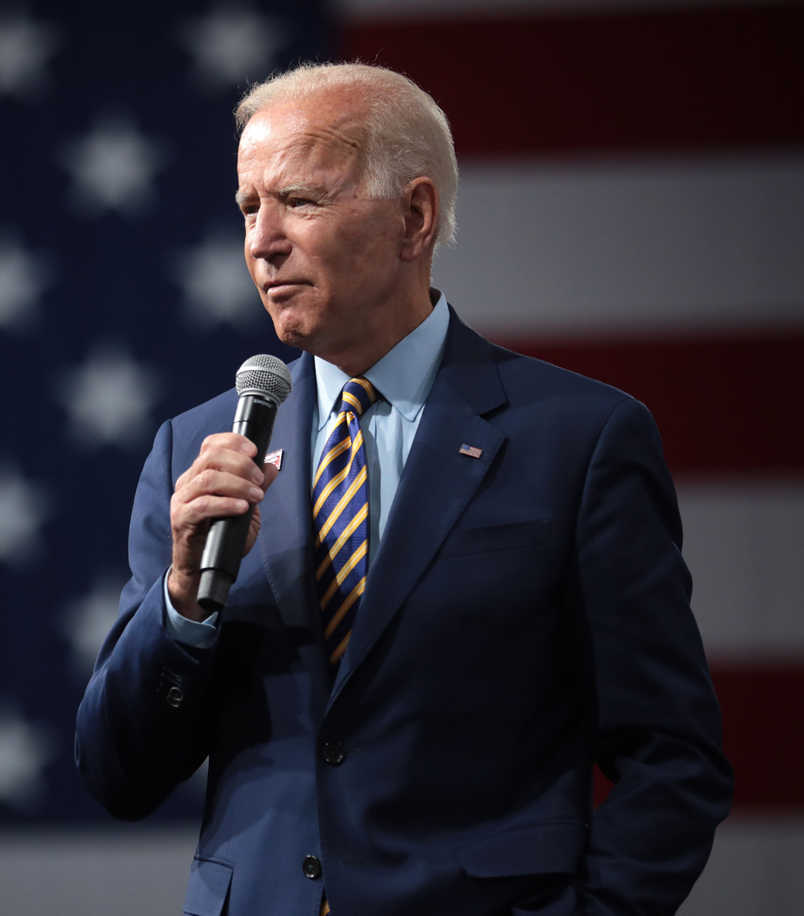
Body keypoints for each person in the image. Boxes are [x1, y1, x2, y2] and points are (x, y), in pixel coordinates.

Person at [75, 62, 731, 916]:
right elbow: (118, 774)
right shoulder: (194, 451)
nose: (263, 241)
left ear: (413, 218)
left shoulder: (580, 439)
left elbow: (674, 756)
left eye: (300, 201)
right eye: (248, 207)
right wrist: (183, 606)